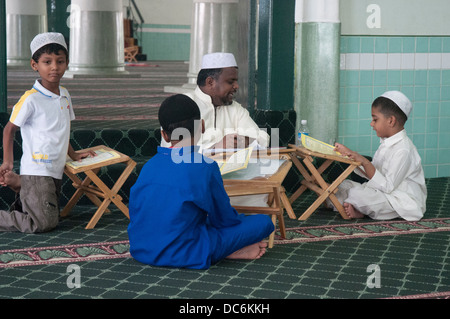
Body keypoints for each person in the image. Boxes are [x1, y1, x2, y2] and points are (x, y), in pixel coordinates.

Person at [128, 94, 274, 269]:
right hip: (186, 251)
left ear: (164, 135)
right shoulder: (205, 166)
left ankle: (226, 249)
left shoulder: (149, 166)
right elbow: (225, 221)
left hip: (141, 248)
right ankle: (227, 250)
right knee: (263, 222)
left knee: (191, 221)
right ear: (202, 126)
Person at [0, 32, 95, 233]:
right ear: (35, 65)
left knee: (50, 215)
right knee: (43, 223)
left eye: (60, 61)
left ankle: (21, 185)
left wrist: (74, 154)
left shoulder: (65, 95)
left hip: (55, 169)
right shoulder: (31, 99)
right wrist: (7, 162)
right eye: (47, 62)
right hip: (37, 169)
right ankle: (20, 187)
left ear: (67, 63)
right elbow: (9, 129)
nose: (54, 67)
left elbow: (63, 130)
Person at [333, 91, 427, 221]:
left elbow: (387, 186)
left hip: (402, 200)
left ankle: (348, 206)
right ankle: (352, 206)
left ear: (391, 121)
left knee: (357, 194)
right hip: (382, 192)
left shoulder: (404, 150)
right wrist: (352, 156)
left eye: (375, 119)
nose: (372, 124)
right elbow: (373, 174)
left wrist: (365, 162)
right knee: (343, 186)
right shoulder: (386, 143)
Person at [162, 52, 270, 150]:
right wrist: (215, 148)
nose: (236, 86)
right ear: (210, 82)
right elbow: (173, 149)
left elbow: (263, 138)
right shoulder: (180, 105)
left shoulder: (235, 109)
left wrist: (242, 141)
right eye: (230, 81)